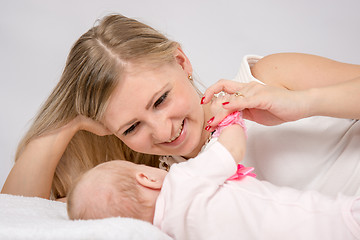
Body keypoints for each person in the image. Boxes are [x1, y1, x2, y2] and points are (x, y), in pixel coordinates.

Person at [1, 13, 360, 200]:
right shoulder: (164, 188)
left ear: (182, 61)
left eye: (160, 100)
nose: (162, 130)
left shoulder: (265, 77)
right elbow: (18, 216)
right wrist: (66, 123)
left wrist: (300, 103)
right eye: (131, 127)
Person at [67, 109, 360, 240]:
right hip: (325, 221)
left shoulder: (172, 234)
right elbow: (231, 149)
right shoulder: (184, 180)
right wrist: (227, 115)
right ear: (148, 178)